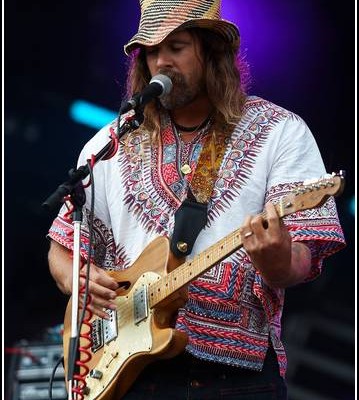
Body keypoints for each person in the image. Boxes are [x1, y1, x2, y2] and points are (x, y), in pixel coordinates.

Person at [47, 0, 346, 399]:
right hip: (128, 371)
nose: (162, 62)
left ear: (212, 52)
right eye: (152, 51)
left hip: (236, 377)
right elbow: (62, 248)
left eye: (177, 46)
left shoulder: (280, 132)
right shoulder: (109, 143)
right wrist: (75, 278)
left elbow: (303, 257)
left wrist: (277, 259)